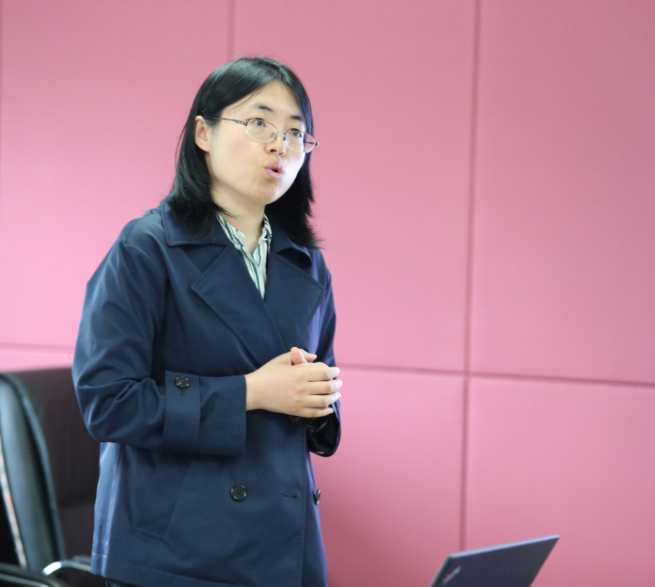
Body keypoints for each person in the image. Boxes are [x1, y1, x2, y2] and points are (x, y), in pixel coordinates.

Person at [72, 57, 342, 587]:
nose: (279, 145)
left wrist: (319, 398)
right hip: (175, 552)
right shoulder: (146, 247)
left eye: (295, 133)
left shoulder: (306, 263)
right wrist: (251, 392)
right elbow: (108, 403)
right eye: (259, 123)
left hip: (286, 545)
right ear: (203, 133)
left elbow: (318, 403)